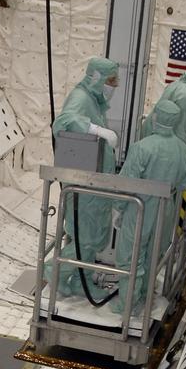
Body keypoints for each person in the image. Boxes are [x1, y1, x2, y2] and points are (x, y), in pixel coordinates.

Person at [112, 99, 186, 314]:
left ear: (156, 116)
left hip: (139, 209)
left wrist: (119, 209)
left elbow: (127, 182)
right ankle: (143, 299)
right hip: (165, 210)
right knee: (153, 254)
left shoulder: (143, 147)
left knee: (130, 256)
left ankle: (127, 305)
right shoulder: (184, 151)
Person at [49, 56, 120, 297]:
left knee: (93, 238)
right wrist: (95, 129)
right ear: (97, 77)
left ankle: (81, 281)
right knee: (84, 239)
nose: (115, 87)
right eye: (112, 81)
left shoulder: (94, 100)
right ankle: (53, 271)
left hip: (94, 182)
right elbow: (62, 123)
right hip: (83, 186)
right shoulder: (80, 98)